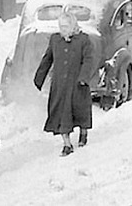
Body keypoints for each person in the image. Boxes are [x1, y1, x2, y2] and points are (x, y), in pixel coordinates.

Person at [34, 10, 95, 157]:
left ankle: (83, 132)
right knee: (61, 114)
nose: (63, 30)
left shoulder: (83, 40)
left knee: (80, 112)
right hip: (60, 85)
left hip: (77, 84)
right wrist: (39, 77)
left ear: (73, 26)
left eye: (66, 26)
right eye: (61, 26)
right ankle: (67, 144)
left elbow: (89, 59)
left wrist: (83, 78)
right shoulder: (55, 40)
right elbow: (48, 58)